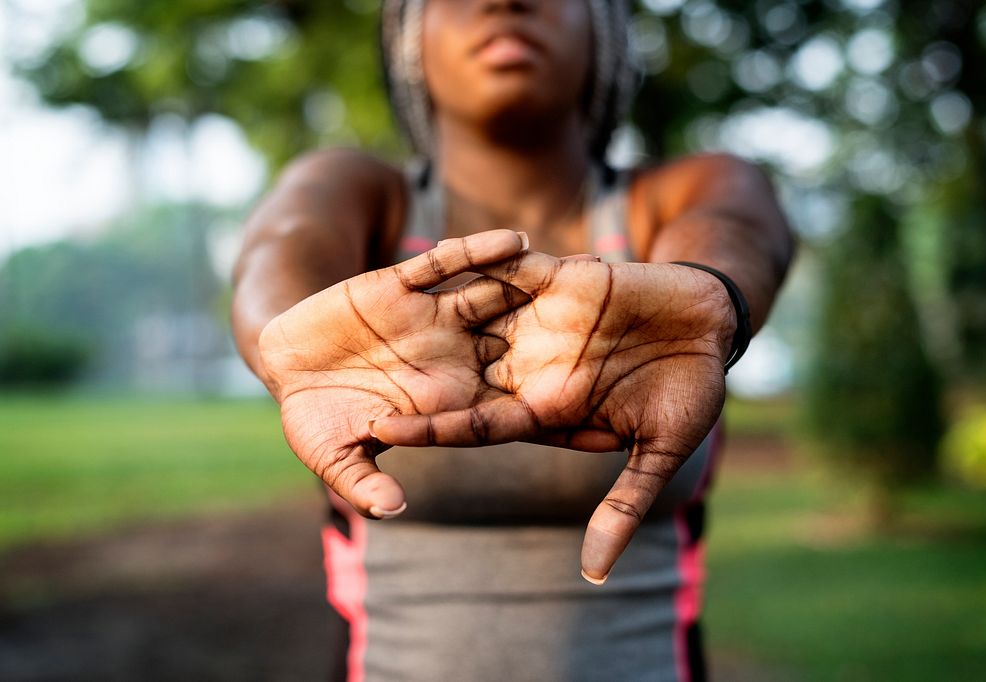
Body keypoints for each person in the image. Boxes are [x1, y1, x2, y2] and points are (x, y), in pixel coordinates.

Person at [231, 0, 794, 680]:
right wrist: (284, 337)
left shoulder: (674, 195)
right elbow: (284, 242)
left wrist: (712, 295)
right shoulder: (364, 196)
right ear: (412, 38)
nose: (504, 1)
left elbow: (739, 229)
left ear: (604, 33)